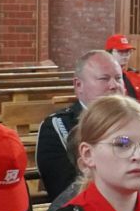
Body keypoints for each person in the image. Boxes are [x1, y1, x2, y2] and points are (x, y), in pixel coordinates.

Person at [34, 49, 124, 200]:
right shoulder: (58, 127)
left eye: (118, 78)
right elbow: (63, 191)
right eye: (104, 78)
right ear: (79, 85)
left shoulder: (136, 121)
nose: (114, 85)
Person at [106, 34, 140, 102]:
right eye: (120, 51)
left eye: (128, 52)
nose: (125, 56)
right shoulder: (103, 80)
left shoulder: (138, 77)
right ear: (109, 53)